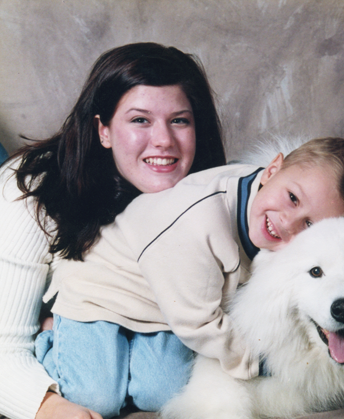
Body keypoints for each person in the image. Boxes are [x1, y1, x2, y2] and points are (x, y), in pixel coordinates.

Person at [36, 137, 344, 418]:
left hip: (158, 309)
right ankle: (52, 335)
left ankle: (114, 357)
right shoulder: (199, 224)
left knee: (160, 392)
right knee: (96, 398)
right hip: (100, 291)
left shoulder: (266, 200)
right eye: (292, 198)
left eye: (311, 225)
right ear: (272, 169)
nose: (288, 222)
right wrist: (258, 362)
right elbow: (198, 322)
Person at [0, 42, 227, 419]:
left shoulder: (211, 194)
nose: (164, 141)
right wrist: (48, 407)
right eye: (140, 120)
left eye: (180, 120)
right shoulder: (29, 193)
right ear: (103, 130)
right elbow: (3, 348)